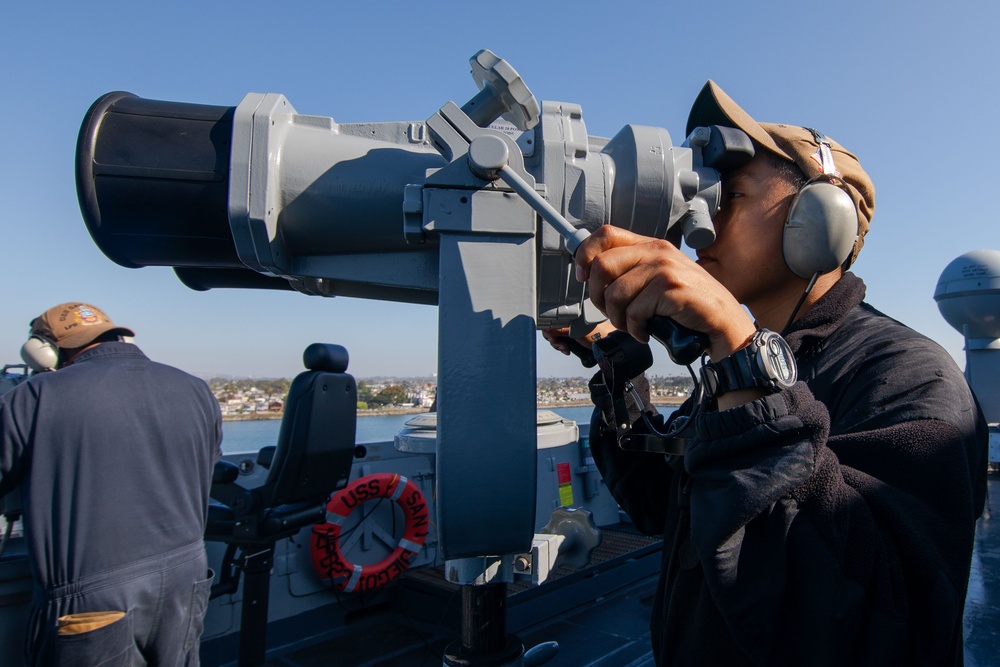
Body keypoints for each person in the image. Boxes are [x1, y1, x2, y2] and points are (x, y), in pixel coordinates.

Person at [546, 81, 988, 666]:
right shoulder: (735, 372)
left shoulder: (908, 375)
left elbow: (868, 626)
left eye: (728, 194)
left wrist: (740, 349)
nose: (696, 218)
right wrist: (612, 354)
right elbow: (659, 504)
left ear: (819, 219)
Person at [0, 302, 222, 666]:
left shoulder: (35, 397)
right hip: (186, 579)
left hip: (93, 599)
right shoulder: (195, 389)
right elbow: (204, 467)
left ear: (43, 351)